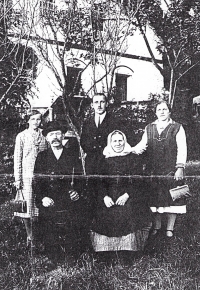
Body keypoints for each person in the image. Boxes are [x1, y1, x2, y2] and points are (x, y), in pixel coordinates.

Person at [90, 130, 152, 256]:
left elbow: (139, 180)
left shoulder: (133, 158)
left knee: (129, 211)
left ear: (124, 141)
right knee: (104, 212)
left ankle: (128, 249)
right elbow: (98, 181)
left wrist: (127, 194)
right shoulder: (103, 160)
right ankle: (106, 250)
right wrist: (104, 196)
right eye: (115, 141)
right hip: (108, 195)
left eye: (120, 140)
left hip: (128, 194)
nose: (118, 143)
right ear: (110, 143)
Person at [132, 100, 187, 238]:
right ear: (155, 112)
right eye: (159, 110)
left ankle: (169, 228)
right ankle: (157, 226)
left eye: (165, 109)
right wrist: (127, 150)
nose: (162, 112)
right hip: (153, 169)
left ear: (169, 111)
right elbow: (141, 146)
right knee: (155, 198)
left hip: (171, 169)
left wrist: (179, 167)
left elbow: (182, 149)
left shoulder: (177, 127)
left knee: (172, 198)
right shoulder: (149, 128)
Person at [34, 121, 88, 258]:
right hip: (49, 199)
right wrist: (42, 198)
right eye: (51, 134)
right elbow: (37, 182)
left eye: (58, 133)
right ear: (47, 138)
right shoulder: (42, 157)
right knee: (49, 230)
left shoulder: (72, 155)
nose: (55, 137)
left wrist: (77, 192)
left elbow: (80, 178)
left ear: (63, 135)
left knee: (73, 228)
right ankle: (53, 255)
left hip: (68, 198)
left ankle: (72, 253)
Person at [14, 109, 47, 244]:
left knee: (40, 205)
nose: (36, 122)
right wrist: (18, 179)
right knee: (27, 206)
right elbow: (18, 158)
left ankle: (41, 235)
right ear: (28, 120)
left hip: (41, 175)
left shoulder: (44, 135)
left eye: (38, 119)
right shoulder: (22, 136)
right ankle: (30, 236)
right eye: (33, 119)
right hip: (26, 176)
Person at [80, 93, 120, 175]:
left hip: (109, 162)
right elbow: (83, 141)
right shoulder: (87, 122)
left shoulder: (114, 121)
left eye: (102, 102)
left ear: (107, 104)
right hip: (91, 163)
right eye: (96, 102)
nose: (99, 105)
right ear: (92, 105)